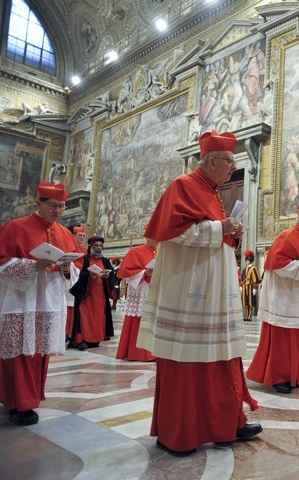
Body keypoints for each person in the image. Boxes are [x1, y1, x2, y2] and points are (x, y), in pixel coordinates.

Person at [137, 130, 260, 456]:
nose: (233, 168)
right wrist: (222, 228)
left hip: (214, 290)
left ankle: (225, 425)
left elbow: (208, 233)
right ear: (211, 161)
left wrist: (231, 231)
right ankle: (180, 432)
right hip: (189, 290)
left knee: (220, 356)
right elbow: (172, 235)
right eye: (230, 161)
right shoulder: (184, 186)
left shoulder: (213, 192)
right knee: (188, 360)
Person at [0, 181, 79, 425]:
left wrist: (68, 268)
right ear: (38, 203)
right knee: (18, 352)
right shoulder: (14, 228)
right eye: (53, 206)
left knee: (37, 353)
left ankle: (20, 395)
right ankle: (20, 404)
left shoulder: (64, 233)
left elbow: (73, 272)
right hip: (20, 301)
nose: (58, 211)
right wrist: (31, 265)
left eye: (62, 207)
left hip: (49, 301)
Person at [247, 204, 299, 394]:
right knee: (283, 341)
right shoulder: (287, 236)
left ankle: (295, 377)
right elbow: (278, 264)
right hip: (284, 299)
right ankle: (279, 377)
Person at [115, 235, 157, 361]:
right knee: (139, 319)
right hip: (141, 290)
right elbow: (125, 272)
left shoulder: (162, 252)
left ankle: (154, 352)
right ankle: (139, 353)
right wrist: (145, 273)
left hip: (156, 289)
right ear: (148, 237)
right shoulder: (135, 251)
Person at [69, 236, 115, 351]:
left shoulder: (105, 261)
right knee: (85, 317)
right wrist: (88, 276)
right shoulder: (84, 260)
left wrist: (107, 277)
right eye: (96, 246)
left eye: (100, 246)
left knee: (99, 317)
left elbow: (113, 276)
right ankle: (83, 340)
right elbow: (76, 275)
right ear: (90, 247)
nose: (98, 248)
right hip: (86, 295)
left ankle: (95, 339)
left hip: (100, 296)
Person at [65, 226, 88, 342]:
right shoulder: (68, 246)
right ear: (74, 236)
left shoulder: (85, 250)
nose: (82, 238)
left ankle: (72, 333)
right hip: (67, 280)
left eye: (84, 236)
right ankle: (65, 332)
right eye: (80, 235)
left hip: (80, 281)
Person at [240, 250, 262, 322]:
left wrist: (255, 288)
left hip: (250, 287)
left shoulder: (254, 269)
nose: (247, 261)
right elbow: (242, 278)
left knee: (250, 302)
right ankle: (247, 315)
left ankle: (249, 316)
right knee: (244, 301)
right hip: (244, 287)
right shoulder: (244, 269)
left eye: (248, 259)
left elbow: (257, 279)